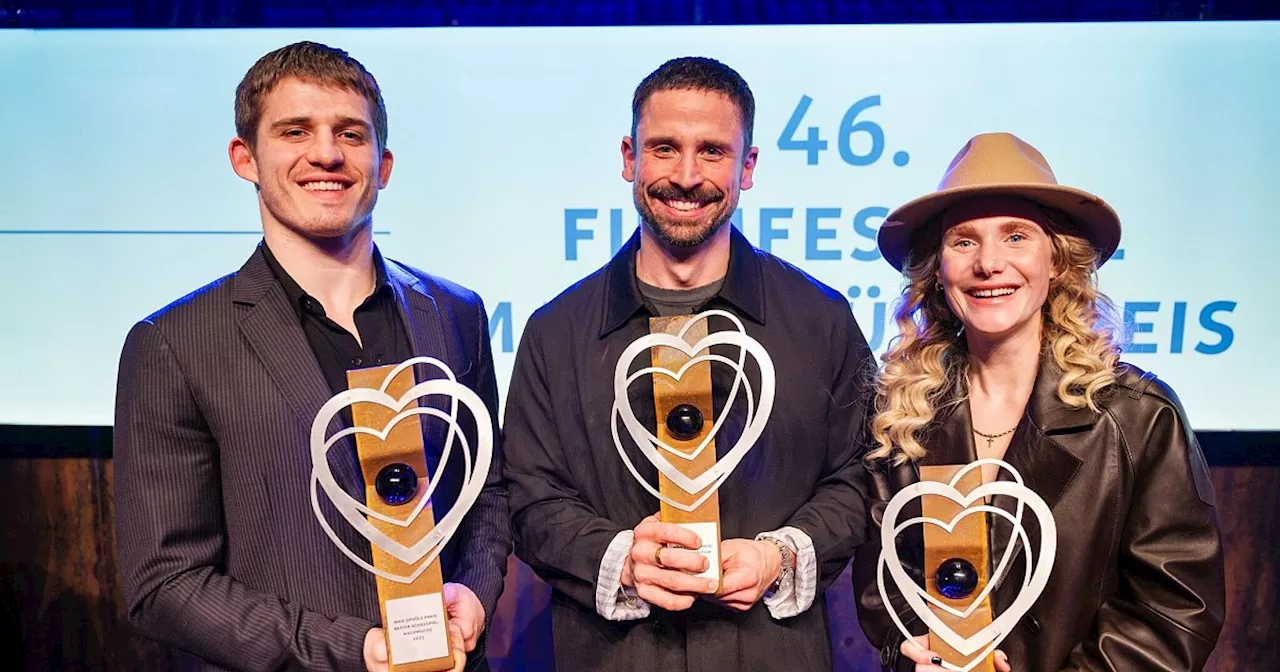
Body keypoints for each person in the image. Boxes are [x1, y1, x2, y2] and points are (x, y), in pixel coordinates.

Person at [113, 41, 510, 672]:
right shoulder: (174, 344)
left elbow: (486, 491)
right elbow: (164, 585)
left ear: (382, 164)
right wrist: (353, 648)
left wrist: (476, 592)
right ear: (245, 158)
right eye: (296, 131)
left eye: (349, 134)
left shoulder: (455, 313)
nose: (326, 153)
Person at [503, 56, 874, 671]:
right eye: (664, 148)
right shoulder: (554, 331)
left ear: (747, 166)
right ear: (629, 157)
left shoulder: (821, 319)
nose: (685, 175)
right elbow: (530, 499)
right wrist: (619, 558)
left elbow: (859, 480)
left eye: (712, 151)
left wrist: (780, 556)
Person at [851, 132, 1225, 671]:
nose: (988, 263)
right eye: (963, 241)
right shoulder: (904, 416)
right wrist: (912, 651)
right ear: (938, 271)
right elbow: (884, 588)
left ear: (1056, 262)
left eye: (1016, 237)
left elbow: (1175, 611)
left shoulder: (1137, 415)